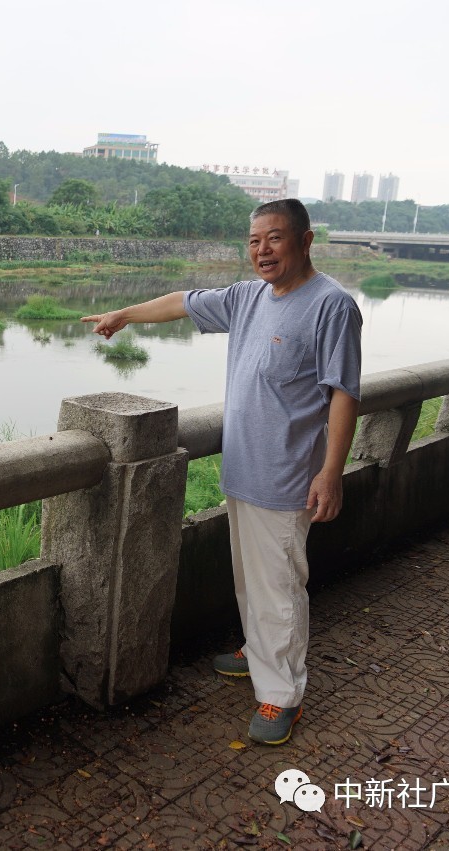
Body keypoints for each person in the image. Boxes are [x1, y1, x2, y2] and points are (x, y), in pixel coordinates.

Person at [82, 199, 362, 745]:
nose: (262, 250)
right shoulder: (249, 297)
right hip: (243, 467)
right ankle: (258, 650)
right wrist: (125, 315)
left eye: (275, 239)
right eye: (255, 240)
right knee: (250, 574)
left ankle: (281, 694)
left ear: (305, 241)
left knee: (279, 582)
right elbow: (183, 303)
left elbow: (343, 393)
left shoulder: (332, 306)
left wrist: (332, 471)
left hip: (287, 476)